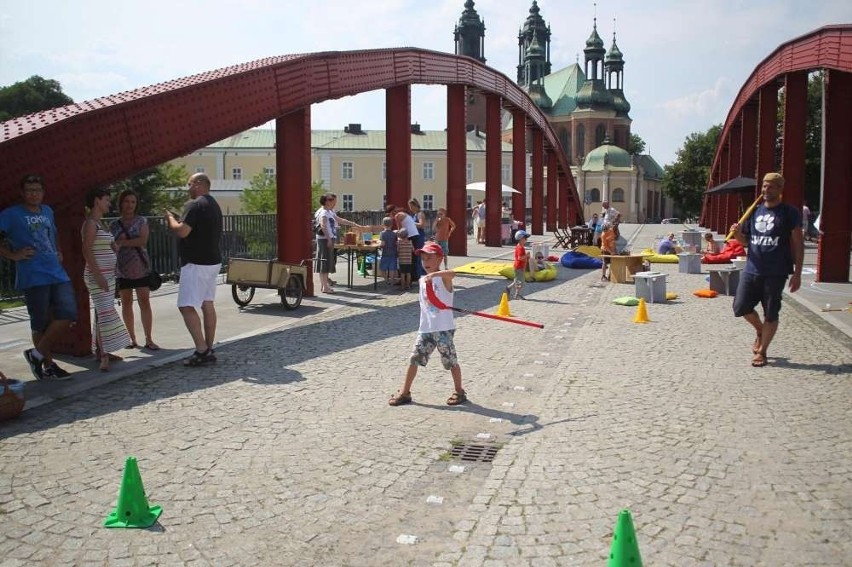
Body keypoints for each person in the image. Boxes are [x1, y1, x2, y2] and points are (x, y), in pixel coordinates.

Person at [0, 174, 76, 380]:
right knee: (40, 322)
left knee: (68, 313)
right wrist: (13, 255)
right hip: (33, 274)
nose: (34, 194)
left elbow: (54, 233)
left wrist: (58, 250)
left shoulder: (48, 210)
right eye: (30, 190)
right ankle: (49, 364)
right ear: (23, 193)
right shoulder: (11, 214)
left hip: (56, 272)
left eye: (37, 190)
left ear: (43, 192)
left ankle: (35, 355)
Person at [730, 172, 804, 368]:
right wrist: (738, 235)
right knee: (740, 306)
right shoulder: (754, 211)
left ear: (780, 189)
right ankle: (761, 330)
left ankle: (762, 352)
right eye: (764, 186)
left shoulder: (789, 212)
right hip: (752, 268)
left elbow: (798, 242)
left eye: (770, 186)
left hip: (776, 271)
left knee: (771, 312)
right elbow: (746, 241)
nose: (765, 190)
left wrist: (797, 273)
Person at [388, 241, 466, 407]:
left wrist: (434, 275)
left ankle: (460, 391)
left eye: (429, 258)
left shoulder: (443, 278)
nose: (426, 262)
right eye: (423, 259)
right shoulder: (423, 280)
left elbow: (453, 273)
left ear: (439, 258)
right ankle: (405, 392)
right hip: (426, 328)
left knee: (450, 361)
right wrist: (428, 277)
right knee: (414, 359)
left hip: (443, 328)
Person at [165, 173, 223, 367]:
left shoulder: (194, 205)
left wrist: (171, 219)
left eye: (189, 184)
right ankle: (208, 346)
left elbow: (183, 231)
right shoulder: (214, 204)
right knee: (207, 304)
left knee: (186, 306)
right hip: (212, 261)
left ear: (198, 185)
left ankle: (202, 350)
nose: (187, 188)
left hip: (196, 263)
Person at [82, 187, 132, 372]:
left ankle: (102, 350)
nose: (109, 203)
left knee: (102, 311)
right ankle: (104, 354)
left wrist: (113, 247)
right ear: (97, 201)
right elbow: (87, 250)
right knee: (105, 312)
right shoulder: (90, 224)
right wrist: (98, 276)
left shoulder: (99, 223)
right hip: (99, 276)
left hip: (107, 275)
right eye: (106, 200)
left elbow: (100, 245)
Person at [110, 189, 158, 351]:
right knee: (126, 303)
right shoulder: (114, 224)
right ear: (121, 203)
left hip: (140, 266)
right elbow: (111, 245)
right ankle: (131, 338)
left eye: (133, 202)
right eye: (127, 201)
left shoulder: (141, 221)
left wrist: (122, 243)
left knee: (144, 301)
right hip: (122, 268)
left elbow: (142, 240)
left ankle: (149, 338)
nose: (130, 205)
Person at [314, 193, 364, 293]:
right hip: (324, 240)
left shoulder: (329, 212)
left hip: (328, 239)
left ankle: (325, 286)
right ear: (327, 201)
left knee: (327, 263)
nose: (334, 202)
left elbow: (339, 220)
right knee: (324, 263)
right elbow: (323, 226)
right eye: (332, 200)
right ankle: (325, 287)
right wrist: (328, 239)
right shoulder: (324, 213)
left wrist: (353, 224)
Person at [507, 230, 530, 300]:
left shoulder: (520, 246)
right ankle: (517, 294)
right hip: (518, 267)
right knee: (521, 281)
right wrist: (526, 255)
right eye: (525, 238)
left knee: (517, 279)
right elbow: (520, 258)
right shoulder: (520, 248)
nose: (526, 240)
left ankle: (508, 288)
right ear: (520, 239)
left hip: (519, 267)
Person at [377, 216, 398, 286]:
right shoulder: (394, 233)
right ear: (392, 225)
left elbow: (383, 243)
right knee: (392, 269)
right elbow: (396, 243)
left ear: (383, 225)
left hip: (385, 253)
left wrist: (379, 246)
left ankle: (387, 280)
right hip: (393, 253)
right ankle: (392, 281)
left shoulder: (382, 233)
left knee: (382, 268)